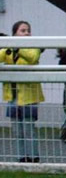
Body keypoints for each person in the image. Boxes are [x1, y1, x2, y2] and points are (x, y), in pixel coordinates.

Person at [0, 21, 45, 163]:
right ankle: (21, 158)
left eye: (28, 30)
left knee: (28, 129)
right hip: (13, 96)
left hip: (29, 97)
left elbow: (33, 58)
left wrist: (17, 47)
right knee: (17, 130)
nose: (27, 33)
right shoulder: (9, 49)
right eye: (22, 30)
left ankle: (33, 158)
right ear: (14, 34)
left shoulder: (33, 47)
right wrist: (5, 44)